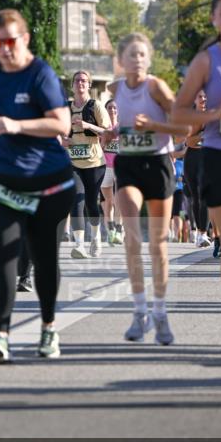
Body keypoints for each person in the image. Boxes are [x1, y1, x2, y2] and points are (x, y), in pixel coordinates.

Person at [0, 9, 73, 361]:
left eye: (11, 41)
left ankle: (48, 328)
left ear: (24, 39)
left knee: (43, 258)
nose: (5, 49)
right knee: (3, 257)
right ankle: (1, 335)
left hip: (47, 183)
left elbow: (62, 124)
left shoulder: (40, 75)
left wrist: (15, 126)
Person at [172, 0, 221, 359]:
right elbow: (179, 113)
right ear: (215, 20)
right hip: (218, 157)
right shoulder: (206, 61)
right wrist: (214, 114)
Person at [105, 33, 187, 346]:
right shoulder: (115, 89)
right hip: (128, 165)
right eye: (131, 55)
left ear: (148, 60)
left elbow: (183, 128)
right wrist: (115, 131)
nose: (137, 60)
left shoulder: (157, 87)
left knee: (159, 243)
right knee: (132, 237)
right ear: (121, 61)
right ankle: (139, 311)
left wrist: (154, 127)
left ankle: (160, 311)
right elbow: (122, 124)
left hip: (158, 165)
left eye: (142, 55)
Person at [62, 71, 110, 258]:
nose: (80, 83)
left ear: (89, 85)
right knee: (77, 200)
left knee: (91, 203)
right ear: (72, 85)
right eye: (77, 81)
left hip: (95, 163)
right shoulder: (65, 108)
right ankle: (79, 245)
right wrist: (62, 140)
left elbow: (107, 132)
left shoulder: (95, 106)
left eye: (84, 81)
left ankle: (96, 239)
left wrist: (88, 126)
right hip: (73, 163)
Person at [183, 90, 212, 249]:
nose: (203, 99)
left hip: (207, 158)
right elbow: (189, 142)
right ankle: (199, 234)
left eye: (205, 96)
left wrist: (199, 136)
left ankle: (203, 232)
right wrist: (204, 135)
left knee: (204, 194)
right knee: (195, 197)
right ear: (194, 99)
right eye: (200, 96)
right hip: (191, 159)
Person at [101, 97, 123, 245]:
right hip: (104, 167)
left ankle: (119, 230)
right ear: (105, 110)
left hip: (120, 167)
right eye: (109, 108)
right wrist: (104, 142)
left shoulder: (122, 127)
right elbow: (98, 147)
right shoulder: (101, 127)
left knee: (119, 200)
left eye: (115, 108)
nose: (112, 110)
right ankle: (110, 231)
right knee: (109, 201)